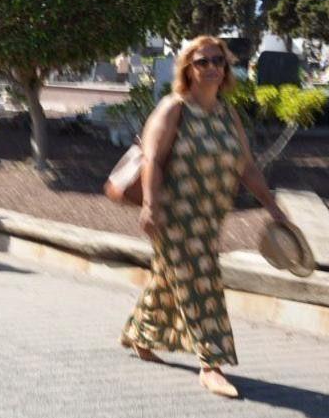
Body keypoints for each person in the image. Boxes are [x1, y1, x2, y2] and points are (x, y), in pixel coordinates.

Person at [121, 35, 291, 398]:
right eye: (203, 62)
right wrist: (150, 206)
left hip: (211, 216)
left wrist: (272, 206)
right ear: (188, 68)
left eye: (219, 61)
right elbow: (151, 159)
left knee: (171, 278)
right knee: (202, 281)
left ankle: (141, 333)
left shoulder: (227, 113)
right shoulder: (173, 108)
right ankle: (211, 364)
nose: (213, 68)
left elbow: (246, 165)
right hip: (175, 216)